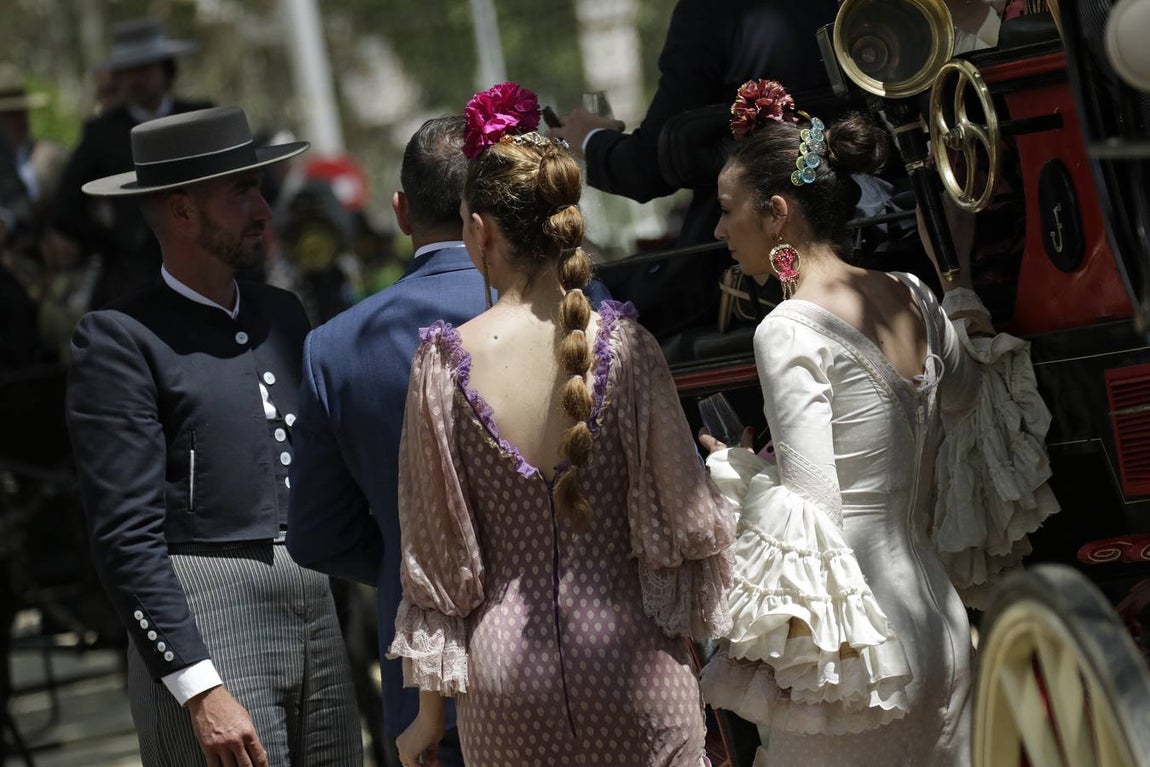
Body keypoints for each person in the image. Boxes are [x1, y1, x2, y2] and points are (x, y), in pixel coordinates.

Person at [695, 81, 1059, 766]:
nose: (718, 231)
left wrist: (735, 474)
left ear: (776, 214)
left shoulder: (788, 327)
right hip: (939, 620)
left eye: (726, 209)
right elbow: (967, 400)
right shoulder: (913, 294)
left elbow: (815, 510)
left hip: (863, 651)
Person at [387, 82, 735, 767]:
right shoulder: (628, 348)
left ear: (480, 230)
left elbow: (436, 557)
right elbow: (685, 526)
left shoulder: (441, 366)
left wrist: (427, 718)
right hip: (636, 671)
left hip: (506, 690)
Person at [65, 106, 362, 766]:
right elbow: (124, 536)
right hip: (206, 613)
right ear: (182, 211)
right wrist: (198, 686)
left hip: (314, 598)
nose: (263, 209)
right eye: (241, 191)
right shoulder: (120, 338)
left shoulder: (281, 312)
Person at [286, 115, 489, 766]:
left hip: (432, 689)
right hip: (580, 661)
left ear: (401, 211)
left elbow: (315, 533)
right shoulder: (572, 305)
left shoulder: (333, 348)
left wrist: (409, 558)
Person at [552, 0, 839, 338]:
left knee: (593, 300)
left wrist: (590, 140)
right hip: (861, 225)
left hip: (734, 273)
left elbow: (648, 168)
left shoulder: (710, 11)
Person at [47, 18, 212, 309]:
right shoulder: (102, 132)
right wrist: (113, 240)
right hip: (135, 272)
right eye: (129, 70)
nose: (138, 79)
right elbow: (66, 208)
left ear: (165, 69)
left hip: (207, 258)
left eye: (146, 68)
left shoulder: (200, 117)